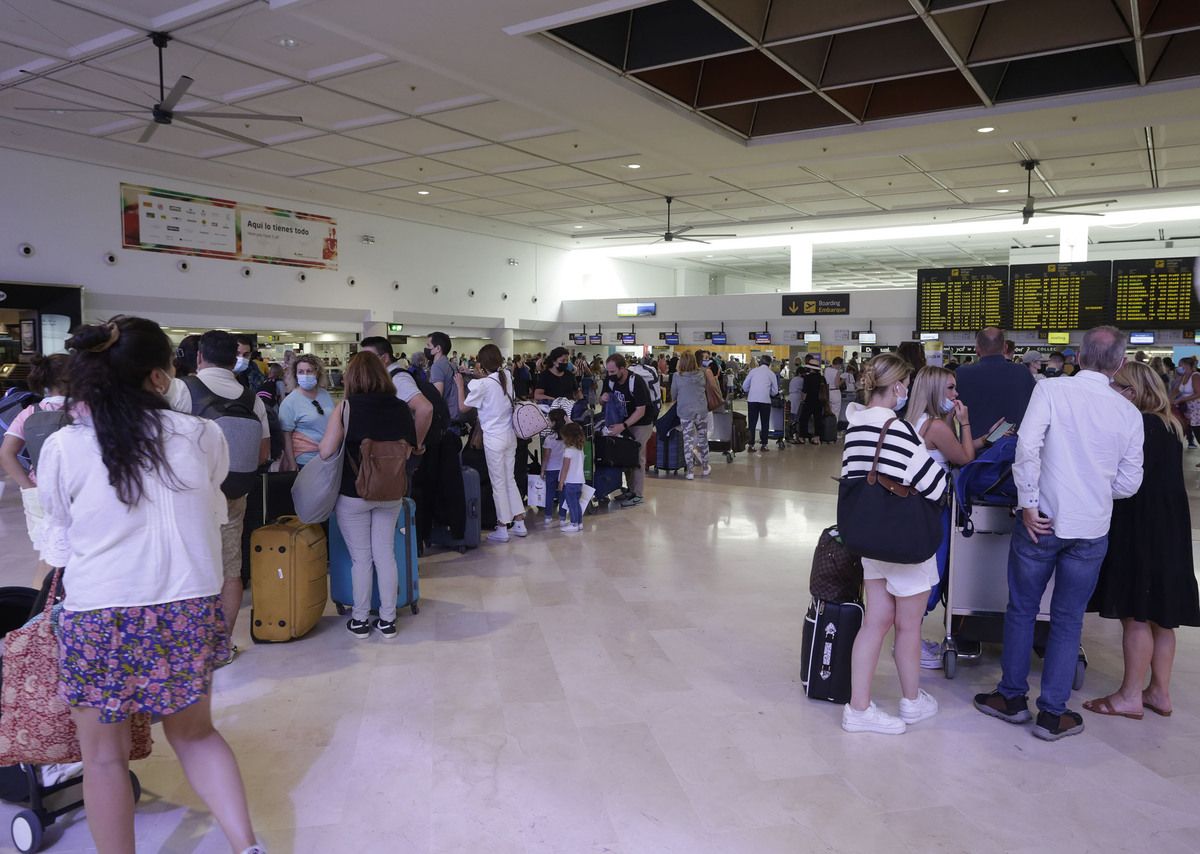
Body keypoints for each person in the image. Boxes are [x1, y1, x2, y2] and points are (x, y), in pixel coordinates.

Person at [37, 316, 262, 854]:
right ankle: (247, 847)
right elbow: (211, 501)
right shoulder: (202, 435)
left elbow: (59, 535)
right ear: (162, 378)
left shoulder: (65, 447)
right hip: (187, 605)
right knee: (196, 734)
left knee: (104, 758)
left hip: (99, 612)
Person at [975, 326, 1144, 742]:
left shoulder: (1051, 391)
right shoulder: (1128, 413)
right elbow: (1129, 484)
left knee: (1022, 609)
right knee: (1067, 621)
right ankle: (1053, 713)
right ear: (1120, 364)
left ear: (1079, 356)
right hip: (1091, 529)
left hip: (1041, 521)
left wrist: (1029, 503)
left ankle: (1012, 698)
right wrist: (1095, 493)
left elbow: (1027, 447)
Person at [1083, 361, 1200, 719]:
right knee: (1163, 617)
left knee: (1136, 612)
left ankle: (1130, 696)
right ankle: (1159, 692)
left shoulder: (1137, 425)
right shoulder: (1170, 425)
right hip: (1171, 526)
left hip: (1140, 524)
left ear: (1131, 392)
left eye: (1116, 387)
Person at [840, 353, 948, 735]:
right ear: (899, 387)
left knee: (876, 621)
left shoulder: (854, 426)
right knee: (908, 626)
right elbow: (935, 484)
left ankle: (859, 708)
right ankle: (912, 702)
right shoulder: (898, 430)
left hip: (871, 538)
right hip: (905, 541)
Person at [907, 366, 1004, 668]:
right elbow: (964, 459)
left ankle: (910, 636)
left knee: (921, 570)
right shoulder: (935, 426)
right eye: (950, 389)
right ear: (936, 391)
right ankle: (911, 641)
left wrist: (984, 438)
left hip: (919, 507)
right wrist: (966, 422)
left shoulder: (918, 421)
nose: (956, 394)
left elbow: (953, 451)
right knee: (932, 569)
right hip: (933, 507)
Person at [317, 352, 417, 639]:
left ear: (352, 377)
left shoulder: (345, 408)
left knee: (362, 559)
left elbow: (325, 451)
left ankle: (360, 621)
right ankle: (388, 620)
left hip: (353, 493)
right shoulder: (400, 408)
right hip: (390, 492)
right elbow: (409, 448)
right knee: (386, 555)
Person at [189, 330, 271, 664]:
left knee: (192, 567)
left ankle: (192, 647)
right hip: (234, 491)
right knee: (230, 569)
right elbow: (263, 453)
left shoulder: (183, 390)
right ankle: (221, 647)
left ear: (199, 356)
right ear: (236, 358)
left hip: (190, 495)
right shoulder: (254, 399)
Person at [0, 354, 71, 586]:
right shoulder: (86, 409)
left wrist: (28, 487)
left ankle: (38, 613)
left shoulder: (30, 412)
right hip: (76, 492)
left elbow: (6, 453)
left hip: (39, 492)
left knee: (46, 556)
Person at [463, 344, 528, 542]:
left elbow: (462, 407)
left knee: (498, 483)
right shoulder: (506, 377)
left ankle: (502, 527)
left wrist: (460, 383)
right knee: (510, 480)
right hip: (510, 437)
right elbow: (492, 383)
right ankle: (519, 523)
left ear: (481, 365)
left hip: (493, 439)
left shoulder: (481, 385)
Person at [955, 327, 1036, 435]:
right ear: (1005, 347)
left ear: (977, 349)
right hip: (1014, 447)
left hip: (974, 448)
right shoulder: (1022, 372)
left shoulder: (961, 374)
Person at [599, 354, 653, 508]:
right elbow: (601, 401)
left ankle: (638, 494)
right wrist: (602, 399)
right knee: (625, 455)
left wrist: (622, 426)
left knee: (637, 456)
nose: (610, 375)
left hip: (641, 423)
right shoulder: (609, 380)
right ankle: (630, 490)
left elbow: (641, 411)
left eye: (613, 371)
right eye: (608, 371)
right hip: (623, 422)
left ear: (623, 368)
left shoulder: (636, 382)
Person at [277, 355, 332, 471]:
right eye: (301, 372)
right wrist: (291, 463)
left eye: (309, 371)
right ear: (295, 375)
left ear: (317, 373)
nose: (305, 375)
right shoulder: (290, 402)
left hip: (328, 457)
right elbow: (286, 436)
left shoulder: (325, 394)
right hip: (305, 460)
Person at [671, 351, 715, 479]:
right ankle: (705, 467)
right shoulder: (702, 374)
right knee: (703, 439)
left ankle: (690, 471)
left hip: (685, 412)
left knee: (688, 441)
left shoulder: (676, 376)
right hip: (701, 411)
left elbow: (673, 395)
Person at [742, 354, 779, 453]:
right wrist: (768, 392)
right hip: (765, 400)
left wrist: (751, 390)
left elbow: (744, 386)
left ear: (760, 362)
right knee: (765, 422)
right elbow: (775, 391)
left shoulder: (753, 371)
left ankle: (751, 445)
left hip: (752, 399)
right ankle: (764, 445)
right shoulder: (771, 374)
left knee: (752, 423)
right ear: (770, 363)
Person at [427, 331, 465, 421]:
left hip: (446, 416)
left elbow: (437, 396)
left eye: (428, 345)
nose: (426, 348)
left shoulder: (437, 367)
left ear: (438, 348)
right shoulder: (451, 364)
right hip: (455, 413)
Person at [558, 422, 586, 533]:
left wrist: (561, 482)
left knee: (571, 503)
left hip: (570, 481)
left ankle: (574, 523)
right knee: (576, 503)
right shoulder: (580, 449)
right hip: (579, 481)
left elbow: (565, 469)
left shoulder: (568, 451)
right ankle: (579, 523)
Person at [542, 408, 568, 527]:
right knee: (563, 493)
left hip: (551, 469)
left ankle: (548, 517)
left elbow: (546, 457)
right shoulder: (567, 438)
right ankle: (562, 517)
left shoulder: (549, 438)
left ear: (553, 422)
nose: (548, 422)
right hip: (564, 470)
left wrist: (542, 470)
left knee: (549, 493)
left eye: (549, 420)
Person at [796, 354, 826, 445]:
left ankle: (802, 437)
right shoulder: (822, 378)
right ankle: (817, 437)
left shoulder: (807, 377)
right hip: (819, 401)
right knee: (818, 419)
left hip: (809, 401)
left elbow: (805, 391)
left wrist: (802, 400)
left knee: (804, 419)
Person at [1171, 355, 1200, 448]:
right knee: (1196, 433)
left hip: (1197, 410)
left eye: (1180, 365)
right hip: (1189, 410)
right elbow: (1176, 391)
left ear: (1187, 366)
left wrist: (1181, 399)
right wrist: (1167, 400)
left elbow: (1198, 393)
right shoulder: (1183, 377)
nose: (1178, 367)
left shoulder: (1195, 376)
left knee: (1198, 433)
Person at [824, 357, 844, 424]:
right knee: (836, 412)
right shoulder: (837, 372)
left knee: (828, 411)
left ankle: (827, 427)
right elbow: (837, 385)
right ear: (838, 364)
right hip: (835, 392)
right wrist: (843, 381)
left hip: (827, 392)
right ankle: (834, 428)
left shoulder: (826, 370)